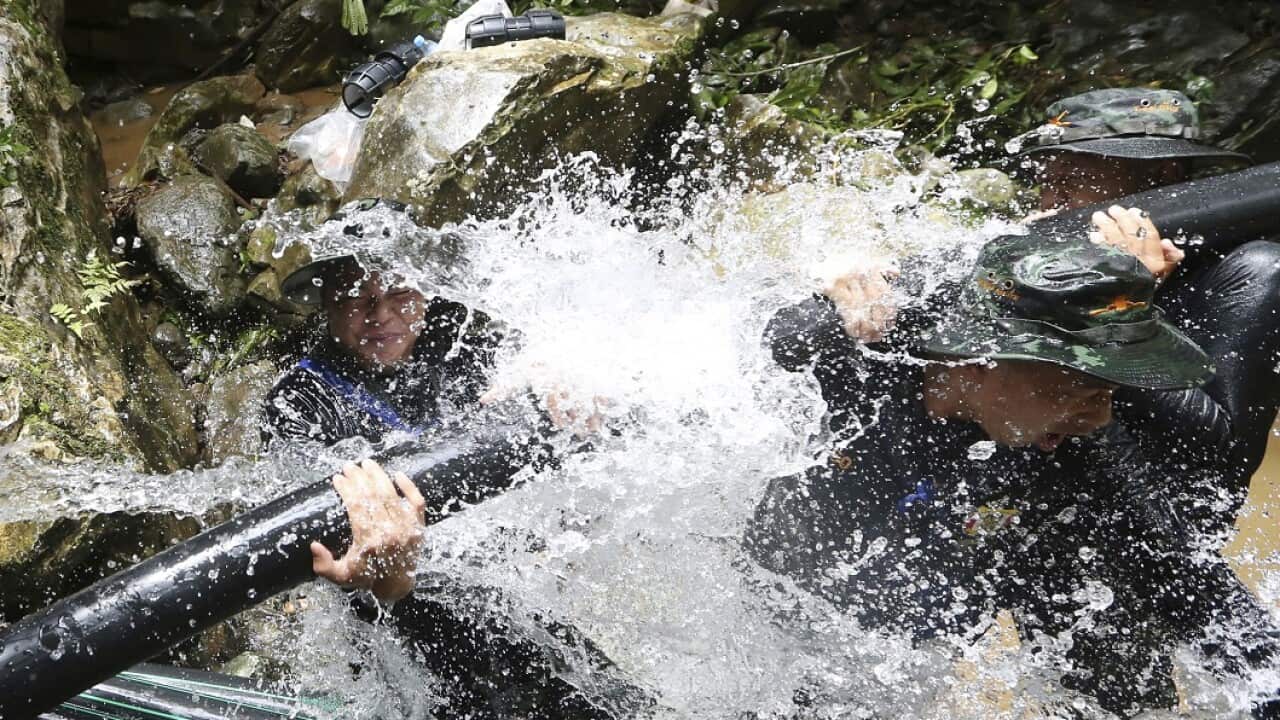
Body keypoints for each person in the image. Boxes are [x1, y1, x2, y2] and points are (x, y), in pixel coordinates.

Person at [746, 233, 1280, 717]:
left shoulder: (1078, 449)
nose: (1097, 417)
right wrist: (824, 277)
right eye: (1082, 390)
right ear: (985, 359)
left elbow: (1195, 591)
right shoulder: (844, 356)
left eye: (1109, 393)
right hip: (764, 612)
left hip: (911, 620)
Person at [262, 199, 630, 719]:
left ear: (427, 292)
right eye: (356, 296)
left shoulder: (462, 347)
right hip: (395, 604)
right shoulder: (299, 400)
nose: (380, 313)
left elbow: (552, 360)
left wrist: (560, 375)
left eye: (398, 291)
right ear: (325, 302)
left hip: (516, 594)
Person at [1013, 87, 1280, 540]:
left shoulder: (1253, 271)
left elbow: (1220, 455)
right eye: (1046, 181)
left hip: (1153, 540)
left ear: (1161, 175)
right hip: (1030, 526)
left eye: (1069, 180)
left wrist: (1122, 312)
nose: (1049, 202)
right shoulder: (1051, 268)